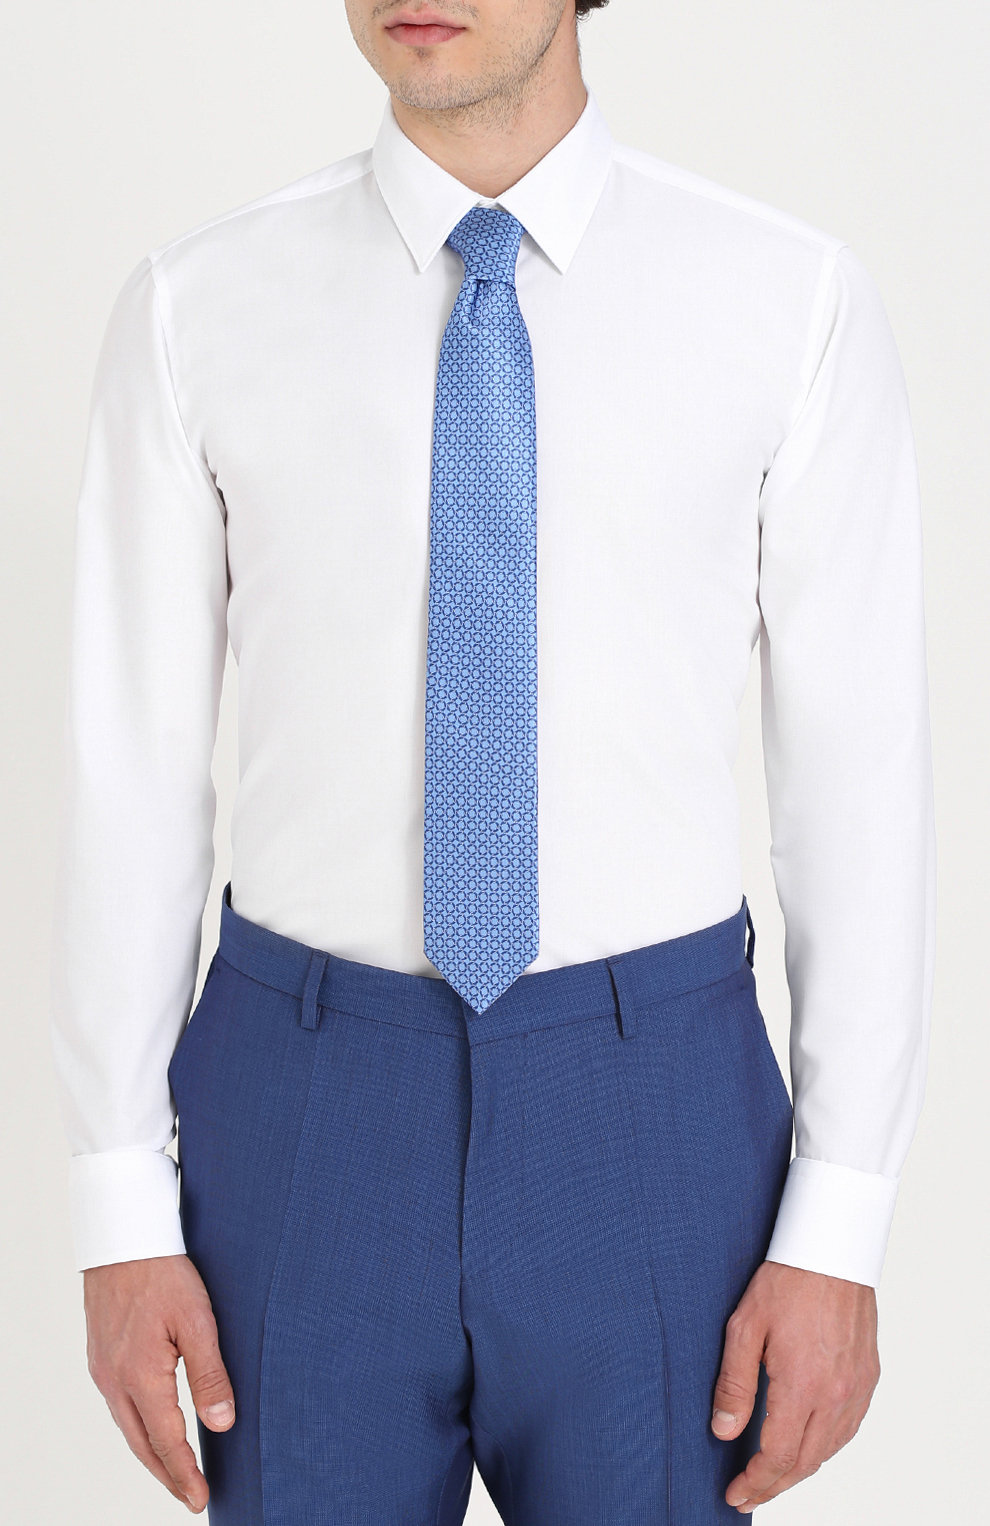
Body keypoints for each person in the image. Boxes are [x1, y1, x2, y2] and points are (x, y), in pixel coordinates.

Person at [50, 1, 936, 1521]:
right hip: (305, 1110)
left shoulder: (786, 302)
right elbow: (129, 772)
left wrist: (839, 1223)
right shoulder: (199, 307)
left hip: (652, 1110)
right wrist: (119, 1203)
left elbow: (855, 789)